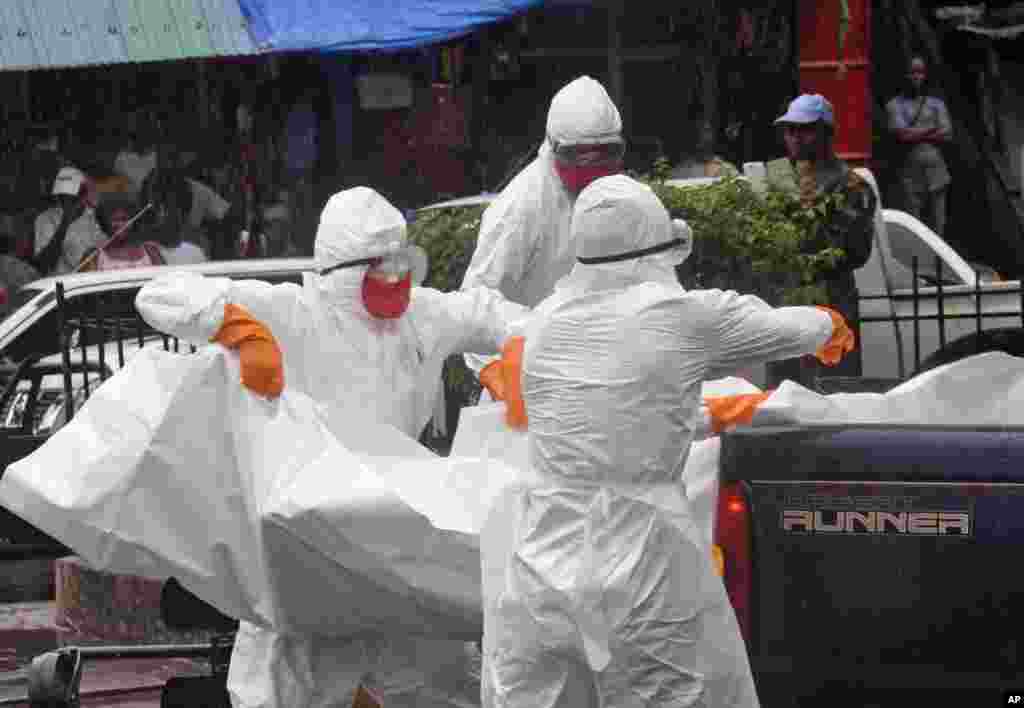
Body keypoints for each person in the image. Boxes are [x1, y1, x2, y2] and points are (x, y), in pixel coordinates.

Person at [136, 186, 530, 708]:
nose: (397, 277)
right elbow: (158, 294)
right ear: (340, 271)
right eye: (381, 265)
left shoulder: (420, 315)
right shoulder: (294, 312)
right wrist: (234, 327)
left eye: (401, 261)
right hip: (309, 536)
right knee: (289, 682)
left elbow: (492, 316)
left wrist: (521, 356)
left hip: (394, 530)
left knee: (429, 679)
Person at [478, 174, 854, 708]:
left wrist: (701, 416)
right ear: (658, 248)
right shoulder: (684, 317)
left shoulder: (541, 326)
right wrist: (828, 323)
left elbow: (609, 419)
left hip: (541, 570)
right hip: (642, 567)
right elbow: (786, 328)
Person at [459, 75, 625, 385]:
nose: (592, 168)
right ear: (553, 147)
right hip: (530, 378)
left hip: (598, 372)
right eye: (580, 157)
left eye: (604, 155)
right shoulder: (521, 206)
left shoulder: (619, 195)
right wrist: (498, 375)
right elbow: (477, 301)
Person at [766, 93, 876, 376]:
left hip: (832, 305)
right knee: (781, 401)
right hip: (785, 308)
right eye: (789, 130)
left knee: (835, 394)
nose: (794, 137)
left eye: (804, 129)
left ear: (826, 134)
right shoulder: (774, 180)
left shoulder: (852, 187)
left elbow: (855, 253)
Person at [886, 56, 954, 238]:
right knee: (915, 226)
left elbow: (948, 133)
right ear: (904, 75)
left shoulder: (936, 104)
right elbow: (902, 135)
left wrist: (914, 133)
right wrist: (932, 129)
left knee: (939, 225)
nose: (916, 77)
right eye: (912, 72)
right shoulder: (894, 105)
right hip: (909, 173)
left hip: (937, 172)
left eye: (920, 72)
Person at [32, 167, 106, 275]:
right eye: (63, 197)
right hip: (64, 285)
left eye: (73, 197)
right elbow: (44, 265)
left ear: (83, 194)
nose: (67, 202)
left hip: (97, 280)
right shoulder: (46, 219)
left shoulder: (96, 216)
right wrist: (65, 223)